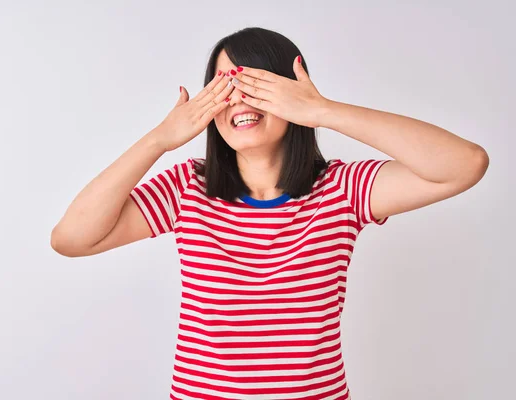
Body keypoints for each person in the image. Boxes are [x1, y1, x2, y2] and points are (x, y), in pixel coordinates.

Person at [50, 27, 489, 400]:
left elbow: (464, 164)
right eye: (224, 87)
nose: (239, 100)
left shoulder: (341, 189)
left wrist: (323, 111)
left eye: (255, 83)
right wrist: (158, 140)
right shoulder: (188, 187)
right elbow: (71, 238)